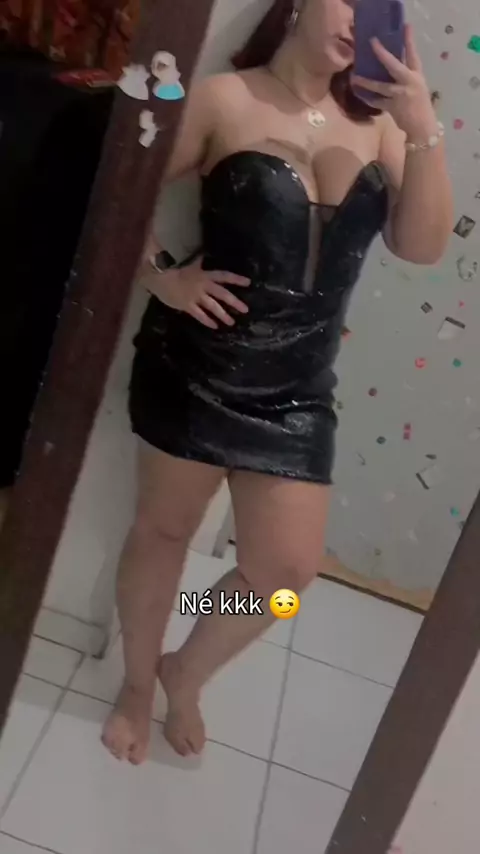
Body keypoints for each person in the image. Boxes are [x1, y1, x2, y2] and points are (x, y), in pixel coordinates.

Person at [102, 0, 452, 764]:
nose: (358, 18)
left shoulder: (384, 127)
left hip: (298, 392)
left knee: (285, 577)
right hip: (197, 367)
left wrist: (423, 124)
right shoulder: (225, 99)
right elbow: (123, 191)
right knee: (161, 534)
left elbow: (423, 246)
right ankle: (135, 683)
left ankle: (184, 670)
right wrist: (163, 277)